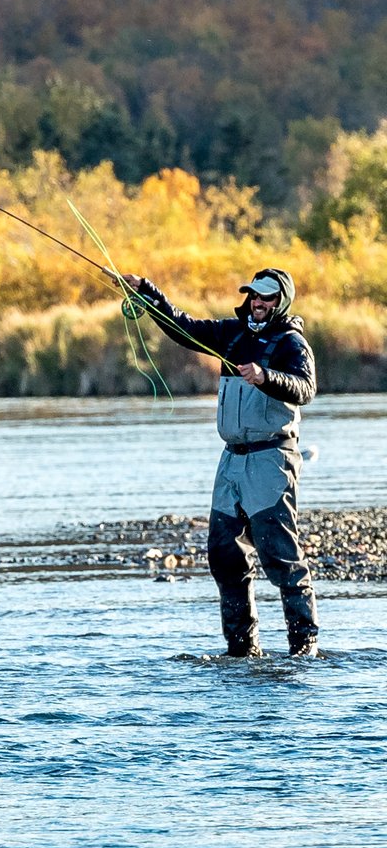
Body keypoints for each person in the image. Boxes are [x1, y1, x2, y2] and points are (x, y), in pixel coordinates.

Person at [117, 267, 319, 657]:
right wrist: (146, 292)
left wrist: (266, 376)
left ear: (282, 302)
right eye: (254, 297)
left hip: (270, 460)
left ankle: (304, 648)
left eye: (267, 298)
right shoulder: (232, 333)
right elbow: (182, 326)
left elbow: (305, 389)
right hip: (230, 463)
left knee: (281, 558)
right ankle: (242, 650)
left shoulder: (292, 343)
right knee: (225, 558)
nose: (258, 304)